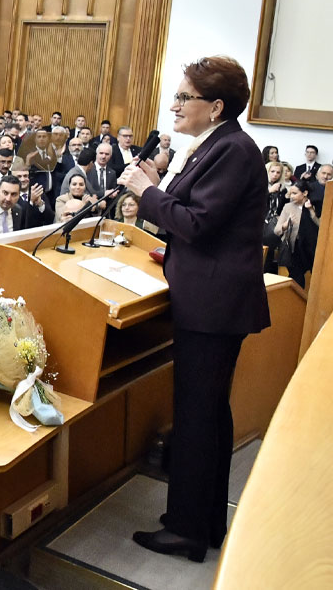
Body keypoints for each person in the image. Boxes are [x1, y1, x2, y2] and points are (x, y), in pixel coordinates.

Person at [119, 55, 270, 562]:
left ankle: (185, 530)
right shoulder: (214, 146)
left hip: (212, 306)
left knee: (197, 417)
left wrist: (146, 192)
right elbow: (191, 212)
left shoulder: (232, 150)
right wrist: (156, 182)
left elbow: (197, 224)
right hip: (209, 301)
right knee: (207, 414)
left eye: (185, 97)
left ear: (216, 106)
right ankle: (205, 523)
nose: (175, 105)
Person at [273, 180, 320, 288]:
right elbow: (277, 230)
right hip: (294, 248)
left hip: (312, 248)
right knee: (297, 277)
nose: (291, 196)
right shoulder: (288, 207)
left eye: (294, 193)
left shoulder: (315, 205)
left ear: (305, 193)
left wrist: (311, 210)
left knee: (314, 278)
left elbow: (321, 226)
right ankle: (295, 298)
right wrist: (285, 225)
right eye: (290, 193)